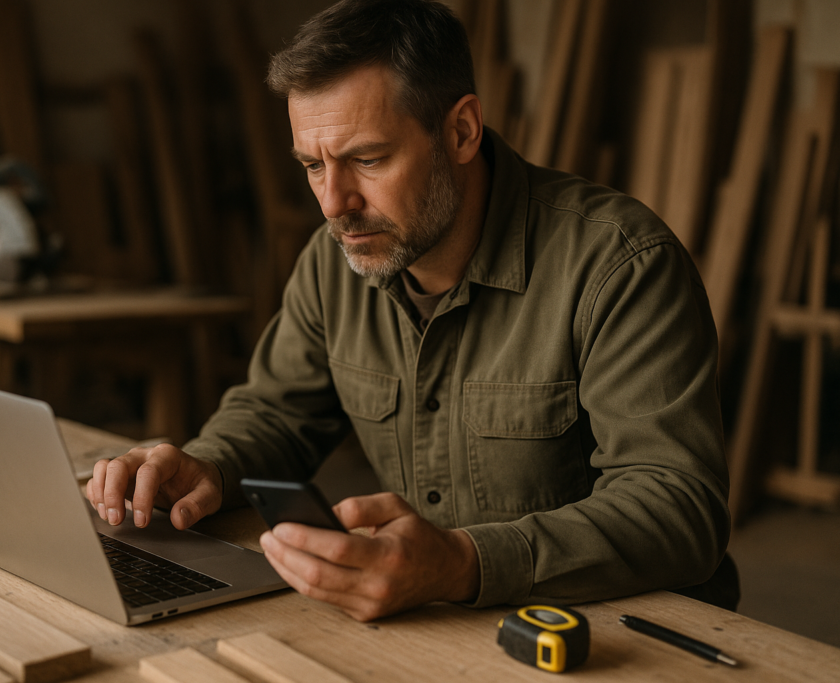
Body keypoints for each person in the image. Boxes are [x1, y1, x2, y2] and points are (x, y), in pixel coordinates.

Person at [87, 0, 735, 622]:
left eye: (367, 159)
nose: (334, 202)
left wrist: (461, 560)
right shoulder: (332, 259)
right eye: (313, 165)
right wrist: (210, 465)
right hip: (436, 621)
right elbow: (277, 412)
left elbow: (678, 508)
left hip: (619, 628)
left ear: (460, 131)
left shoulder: (619, 263)